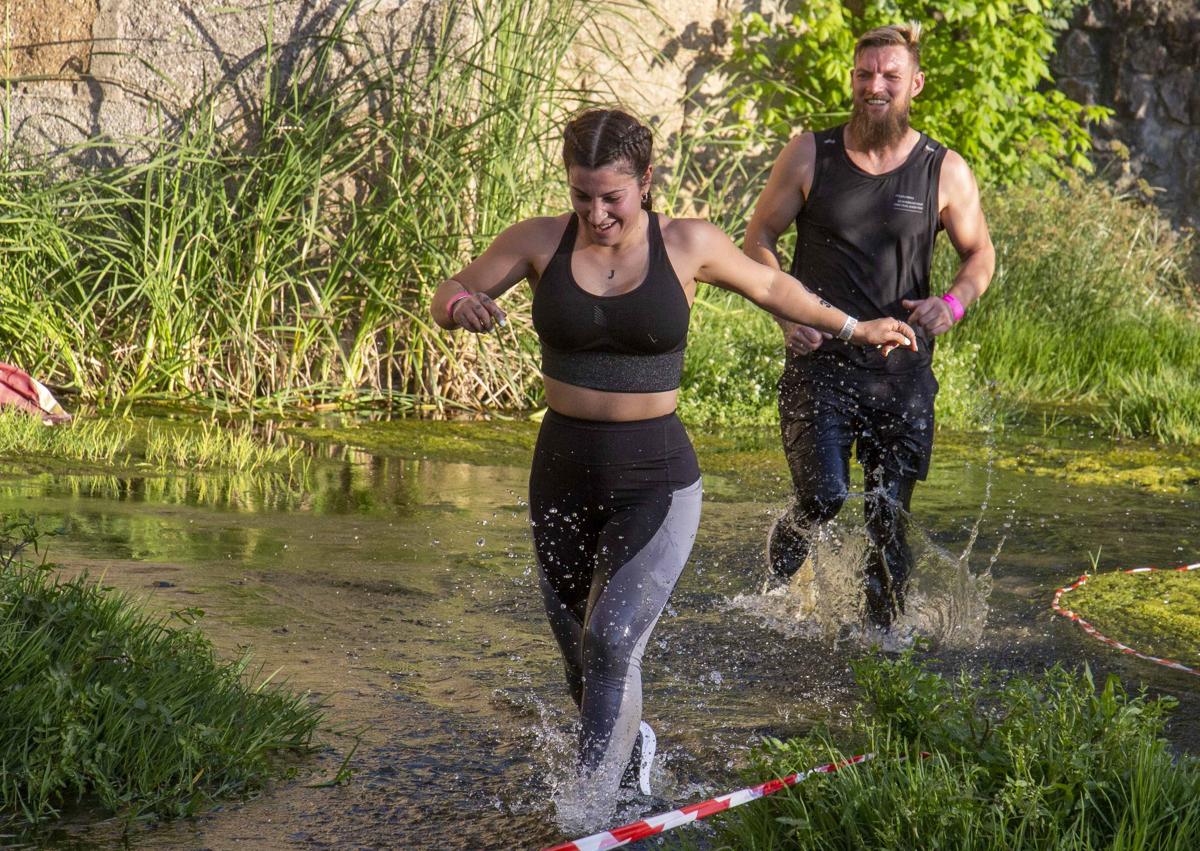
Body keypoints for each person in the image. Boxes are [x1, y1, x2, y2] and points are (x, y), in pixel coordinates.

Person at [430, 108, 915, 810]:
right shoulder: (538, 241)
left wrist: (853, 326)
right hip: (560, 474)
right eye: (581, 196)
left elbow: (772, 287)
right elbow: (449, 290)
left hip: (655, 479)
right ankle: (635, 752)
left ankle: (587, 812)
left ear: (646, 180)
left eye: (612, 196)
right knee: (582, 660)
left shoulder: (688, 243)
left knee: (612, 639)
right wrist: (461, 308)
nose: (596, 213)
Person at [743, 23, 995, 631]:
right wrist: (784, 311)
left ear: (915, 84)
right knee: (823, 498)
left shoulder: (944, 169)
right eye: (864, 75)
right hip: (819, 365)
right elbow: (757, 240)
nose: (874, 86)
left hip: (901, 373)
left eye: (888, 75)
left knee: (890, 518)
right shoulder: (810, 154)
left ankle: (881, 644)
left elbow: (980, 255)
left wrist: (953, 305)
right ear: (853, 80)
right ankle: (775, 599)